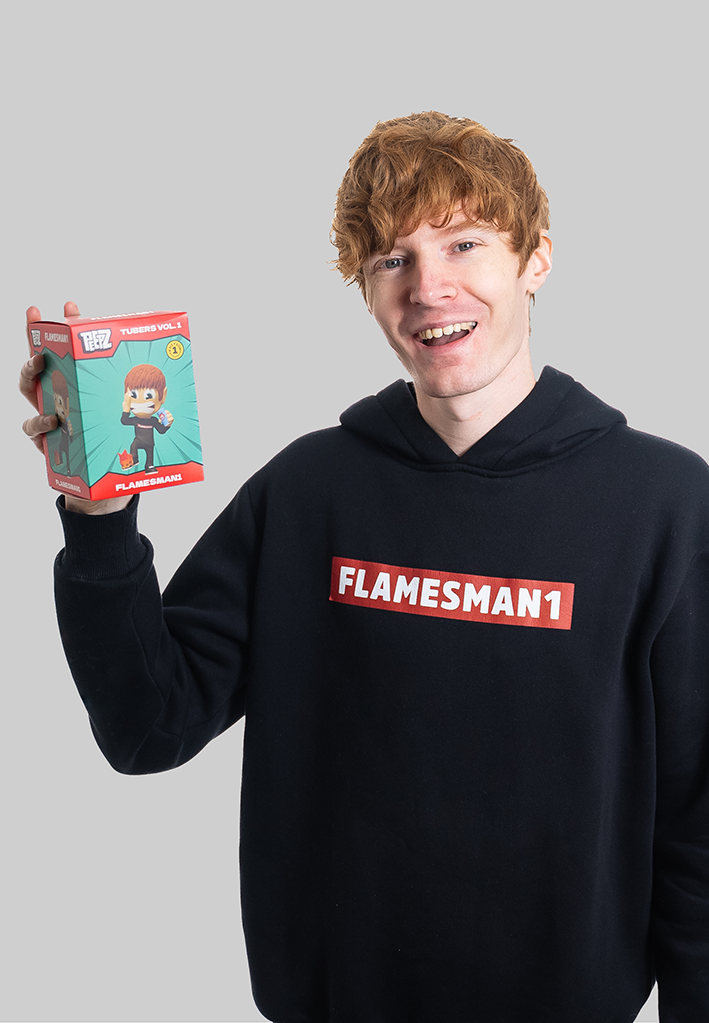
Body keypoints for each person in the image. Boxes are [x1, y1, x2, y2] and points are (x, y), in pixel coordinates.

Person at [20, 112, 709, 1022]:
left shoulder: (665, 503)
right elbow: (149, 727)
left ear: (536, 259)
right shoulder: (307, 490)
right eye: (392, 259)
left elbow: (700, 820)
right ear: (367, 288)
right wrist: (99, 513)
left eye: (464, 243)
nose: (428, 287)